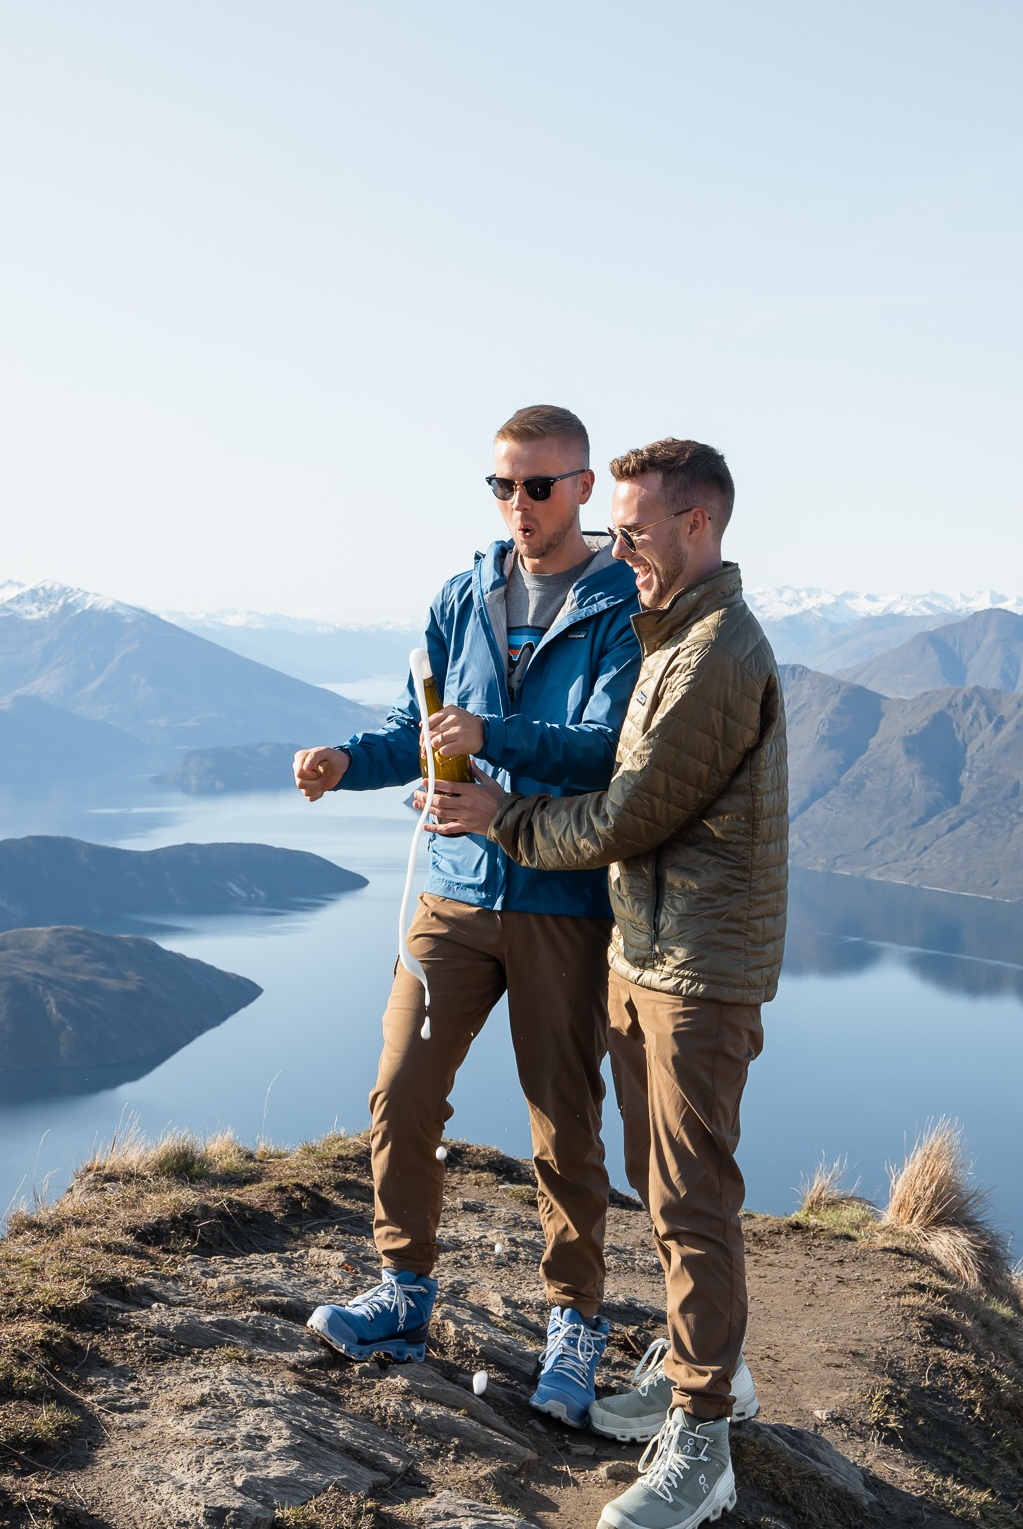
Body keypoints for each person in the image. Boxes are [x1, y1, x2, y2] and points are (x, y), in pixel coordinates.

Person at [425, 437, 786, 1529]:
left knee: (690, 1199)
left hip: (696, 969)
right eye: (615, 528)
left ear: (697, 526)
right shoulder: (666, 631)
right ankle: (702, 1375)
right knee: (661, 1180)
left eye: (631, 530)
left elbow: (632, 813)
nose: (614, 547)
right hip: (647, 950)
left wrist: (505, 818)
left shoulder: (717, 649)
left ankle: (704, 1440)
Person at [293, 404, 643, 1429]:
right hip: (451, 888)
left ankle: (574, 1326)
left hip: (558, 896)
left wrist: (491, 733)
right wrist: (349, 763)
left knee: (562, 1122)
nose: (519, 506)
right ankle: (402, 1291)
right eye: (502, 487)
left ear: (583, 488)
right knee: (400, 1089)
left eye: (539, 486)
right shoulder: (464, 593)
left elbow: (604, 748)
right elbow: (420, 727)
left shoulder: (622, 603)